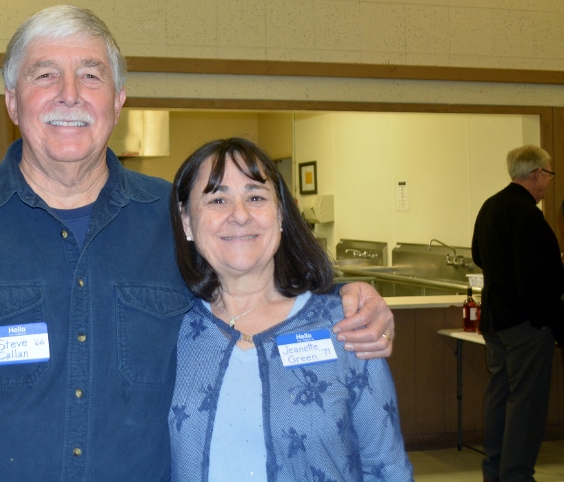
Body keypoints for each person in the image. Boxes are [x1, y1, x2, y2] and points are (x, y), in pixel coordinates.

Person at [0, 5, 395, 481]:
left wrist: (348, 300)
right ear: (11, 100)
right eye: (45, 75)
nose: (70, 95)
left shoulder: (175, 220)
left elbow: (258, 273)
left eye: (91, 76)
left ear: (119, 101)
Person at [168, 138, 412, 481]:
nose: (239, 215)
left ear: (281, 214)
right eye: (218, 199)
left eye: (256, 197)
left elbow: (386, 467)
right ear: (187, 222)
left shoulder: (347, 327)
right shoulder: (170, 331)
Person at [472, 145, 564, 482]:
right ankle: (517, 475)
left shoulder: (491, 206)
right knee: (527, 404)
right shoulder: (527, 215)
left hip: (495, 321)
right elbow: (537, 279)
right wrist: (548, 320)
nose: (549, 184)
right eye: (549, 176)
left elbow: (479, 255)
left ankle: (494, 471)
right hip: (526, 324)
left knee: (500, 397)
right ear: (537, 173)